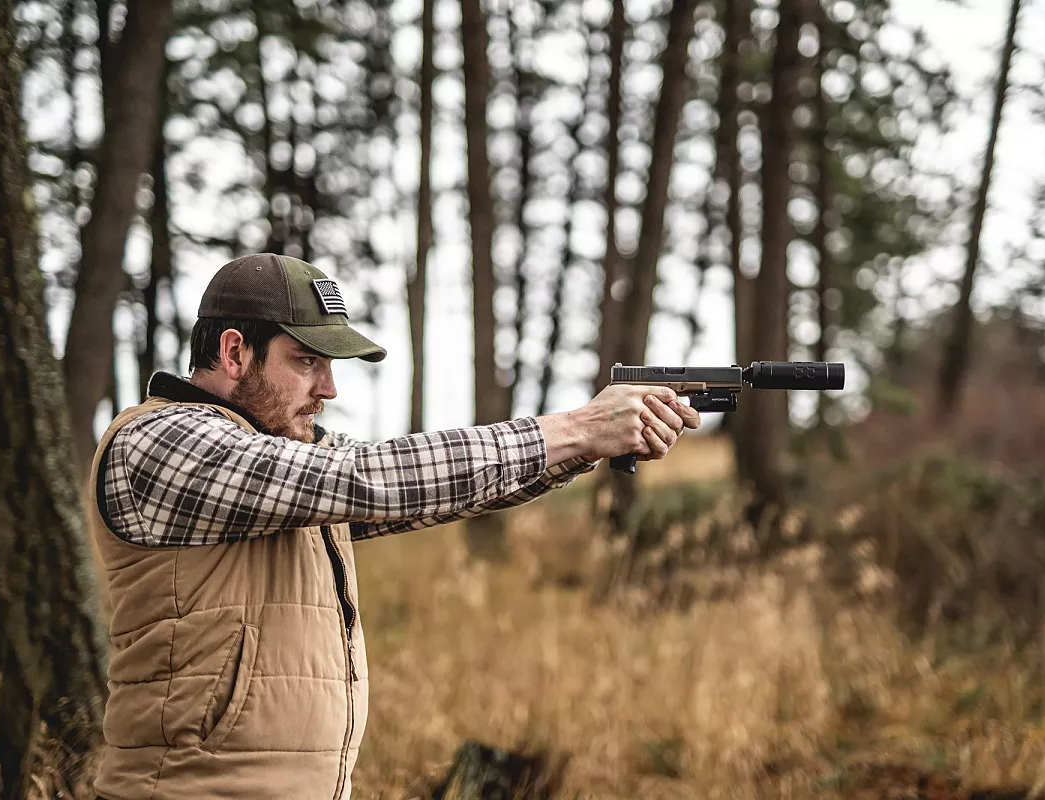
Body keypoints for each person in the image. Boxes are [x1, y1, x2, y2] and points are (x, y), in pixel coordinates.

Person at [86, 253, 700, 800]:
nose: (328, 388)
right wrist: (576, 427)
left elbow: (426, 494)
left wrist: (585, 447)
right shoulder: (161, 441)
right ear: (234, 352)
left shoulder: (287, 460)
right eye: (306, 362)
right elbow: (372, 476)